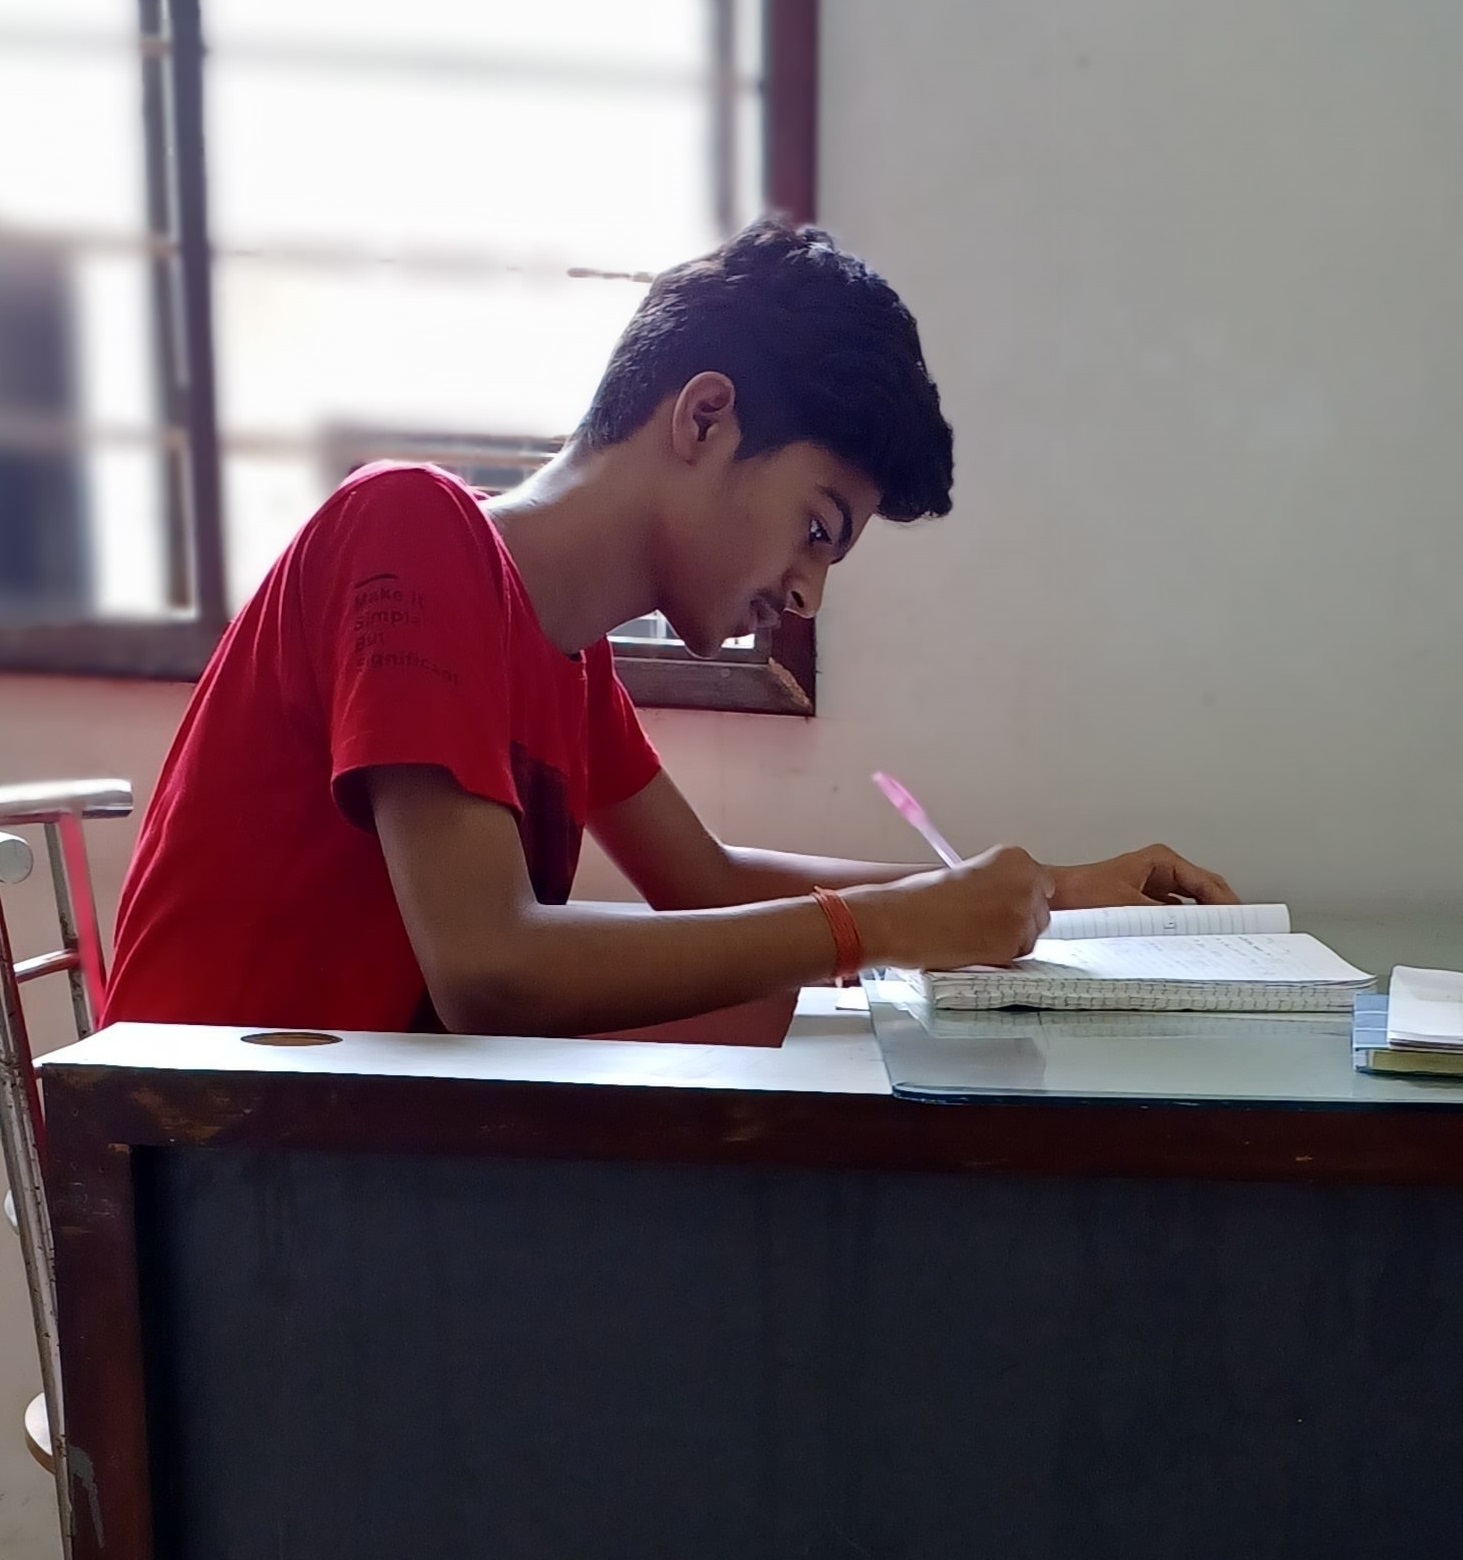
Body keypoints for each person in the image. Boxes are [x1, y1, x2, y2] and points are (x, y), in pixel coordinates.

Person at [104, 219, 1232, 1035]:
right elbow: (491, 968)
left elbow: (701, 880)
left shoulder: (564, 651)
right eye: (817, 528)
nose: (807, 592)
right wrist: (883, 928)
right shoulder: (409, 526)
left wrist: (1042, 891)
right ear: (703, 417)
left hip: (341, 1178)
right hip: (207, 1192)